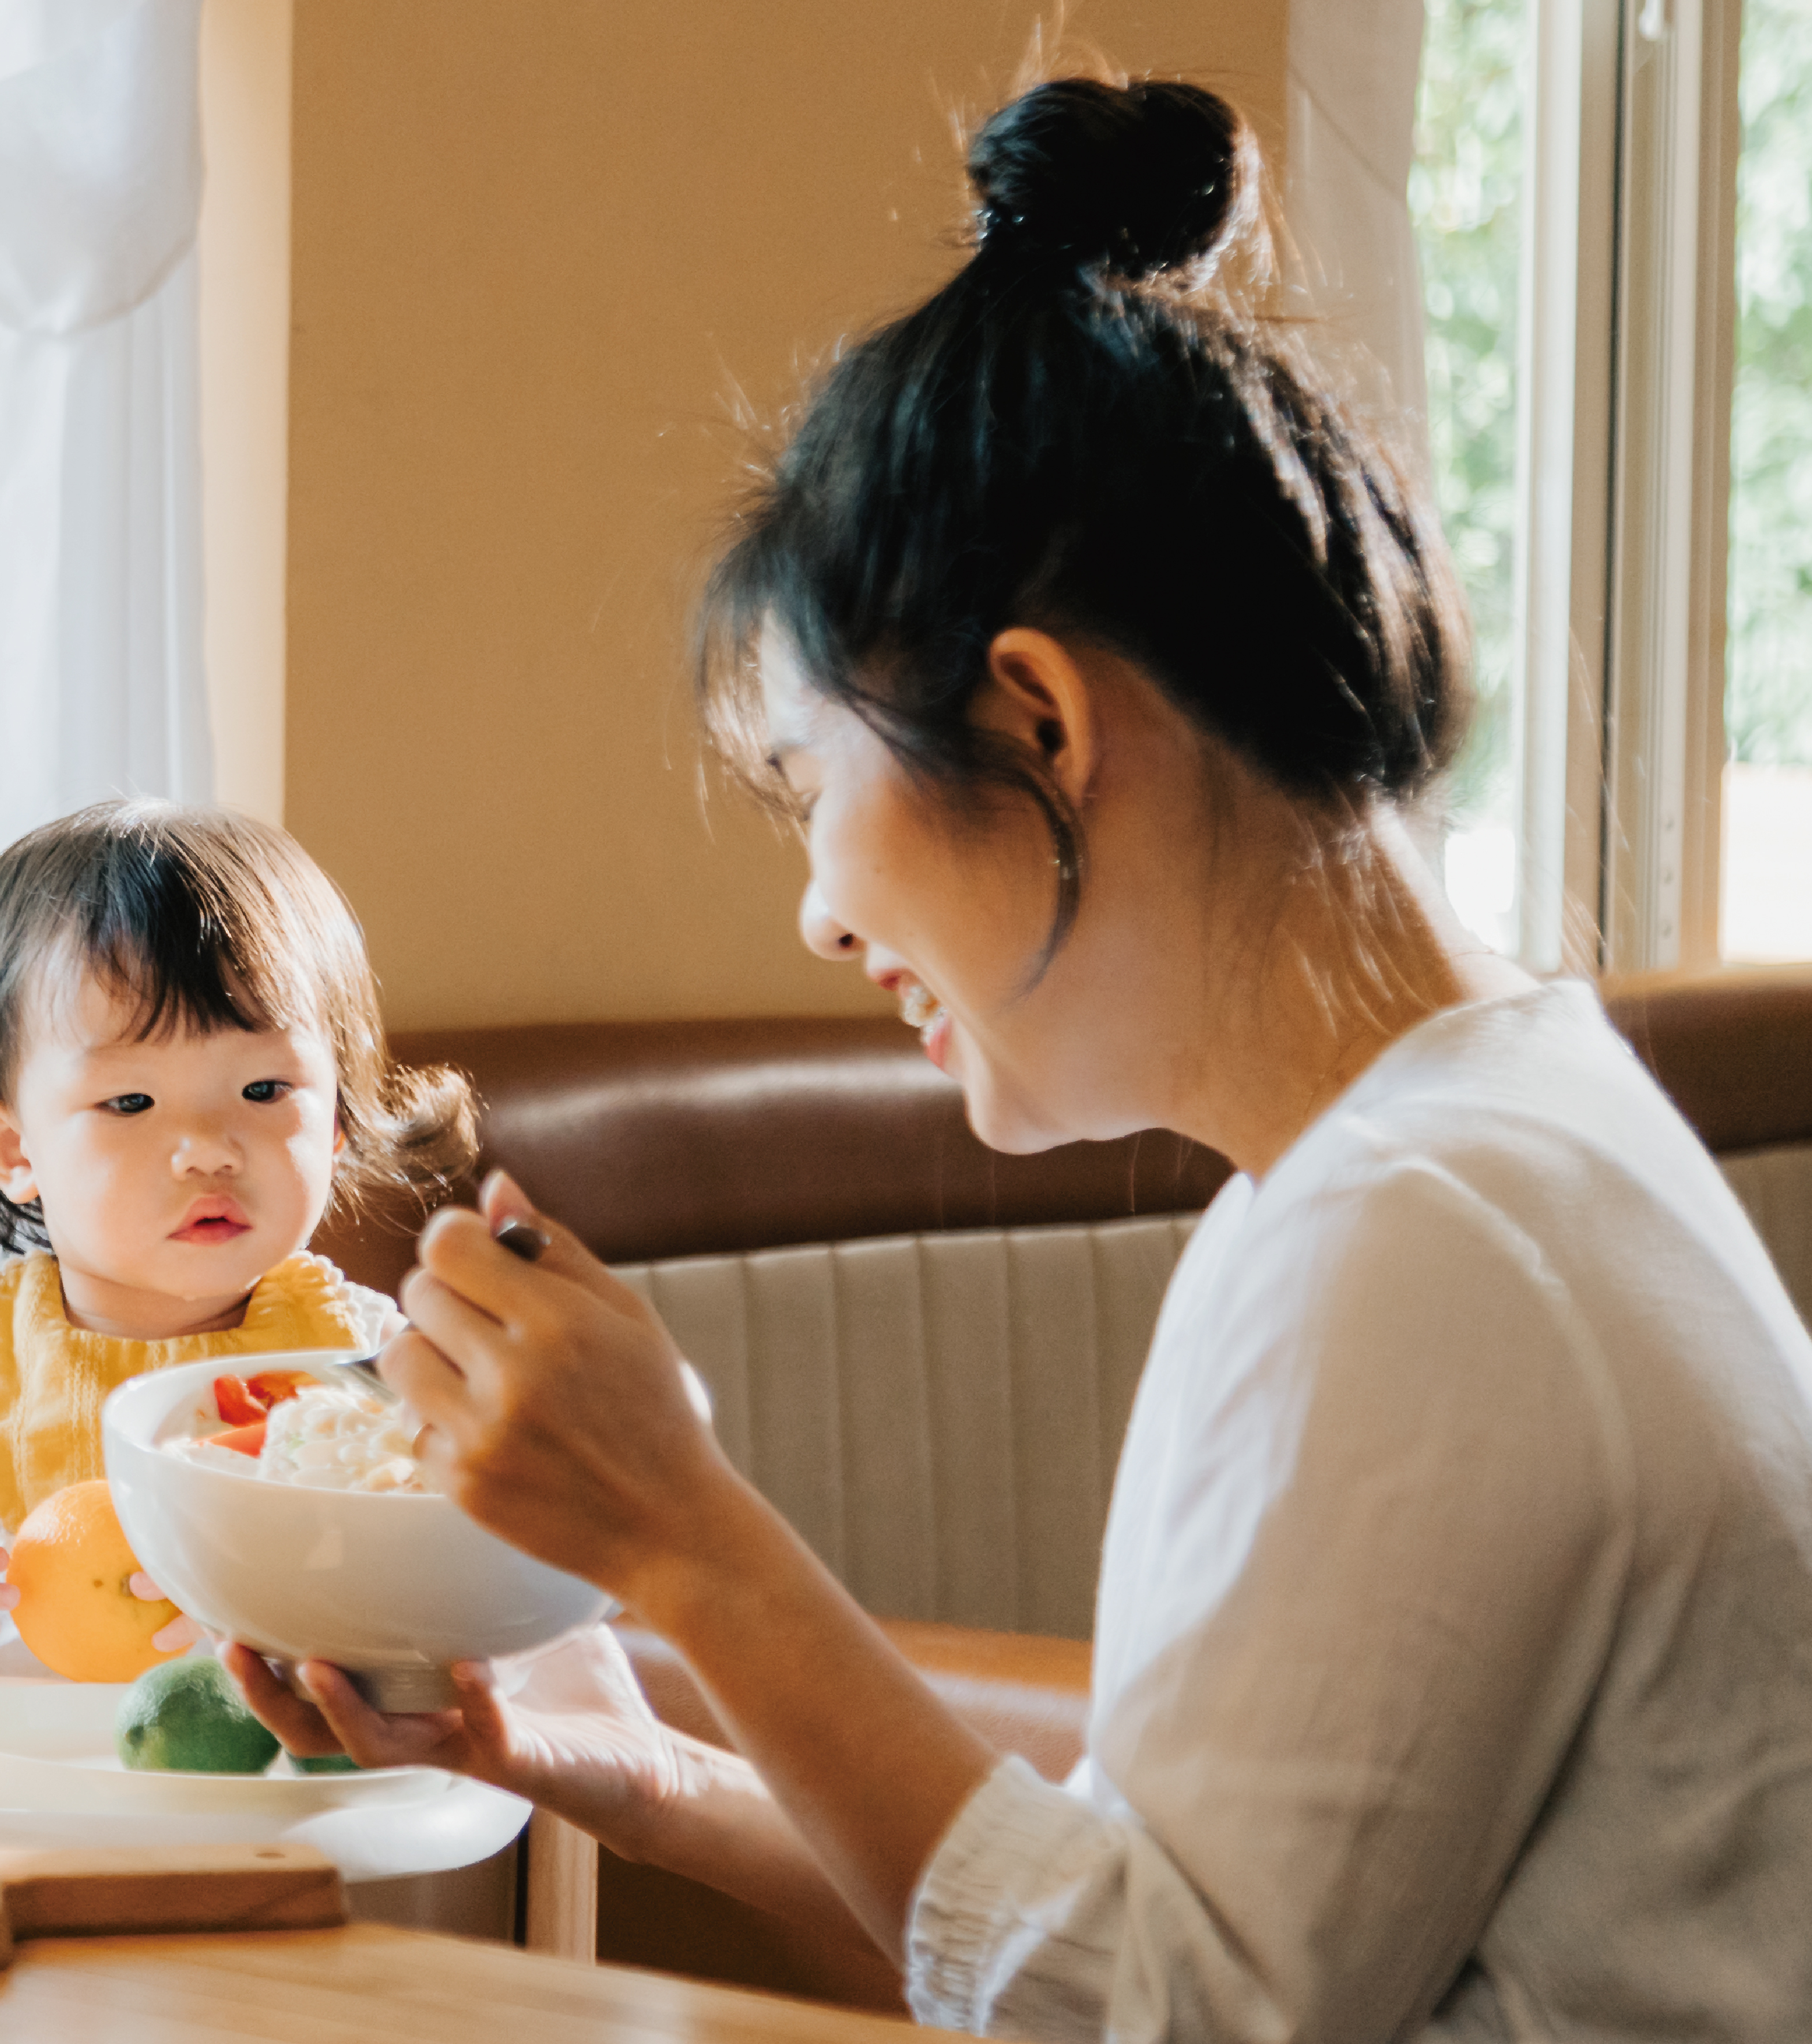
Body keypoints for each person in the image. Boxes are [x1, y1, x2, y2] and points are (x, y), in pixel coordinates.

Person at [227, 74, 1812, 2039]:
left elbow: (1160, 2014)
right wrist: (635, 1773)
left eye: (809, 788)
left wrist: (688, 1533)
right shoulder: (1474, 1140)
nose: (815, 909)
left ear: (1040, 722)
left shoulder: (1419, 1229)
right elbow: (1132, 1904)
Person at [0, 800, 474, 1664]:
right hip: (2, 1789)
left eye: (263, 1091)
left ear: (334, 1127)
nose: (207, 1150)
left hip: (269, 1794)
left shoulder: (377, 1362)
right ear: (14, 1148)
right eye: (129, 1102)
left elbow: (461, 1612)